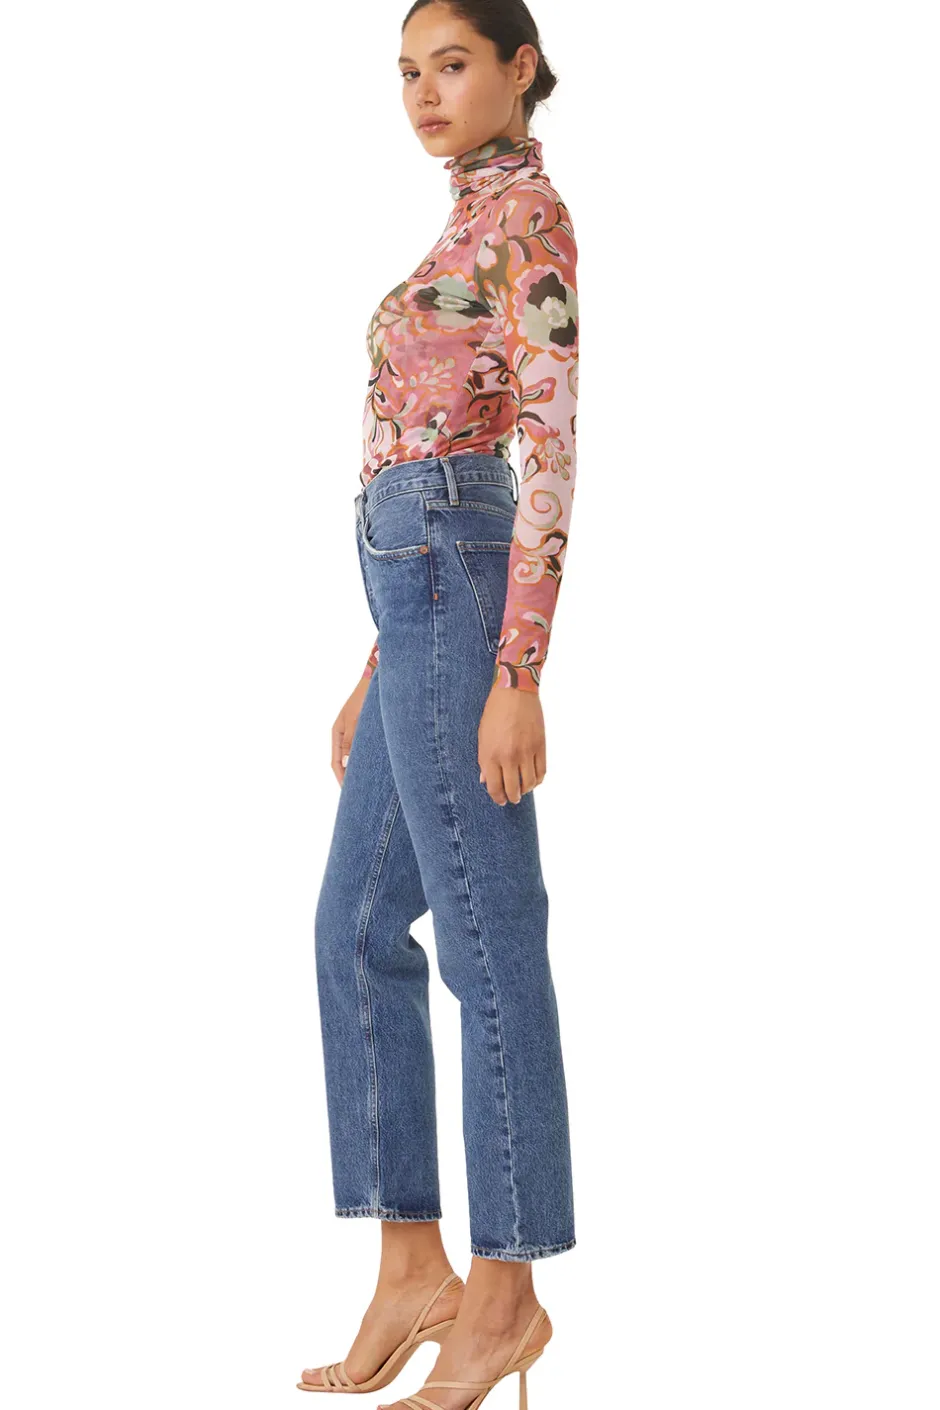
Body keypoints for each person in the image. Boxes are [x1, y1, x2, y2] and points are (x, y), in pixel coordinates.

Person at [299, 3, 579, 1406]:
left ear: (519, 69)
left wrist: (518, 671)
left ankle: (507, 1289)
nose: (424, 92)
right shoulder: (457, 225)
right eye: (409, 72)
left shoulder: (529, 219)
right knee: (355, 927)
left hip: (463, 599)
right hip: (410, 605)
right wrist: (376, 663)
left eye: (452, 64)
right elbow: (418, 436)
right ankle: (414, 1267)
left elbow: (548, 446)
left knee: (485, 938)